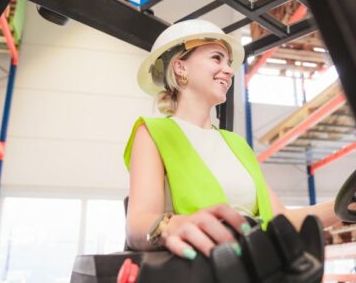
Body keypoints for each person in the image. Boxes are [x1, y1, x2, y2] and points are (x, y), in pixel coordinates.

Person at [124, 19, 339, 261]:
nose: (229, 70)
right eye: (217, 58)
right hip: (201, 269)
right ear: (180, 67)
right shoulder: (154, 132)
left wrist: (346, 207)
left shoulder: (236, 144)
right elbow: (138, 224)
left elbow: (281, 219)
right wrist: (171, 227)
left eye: (229, 63)